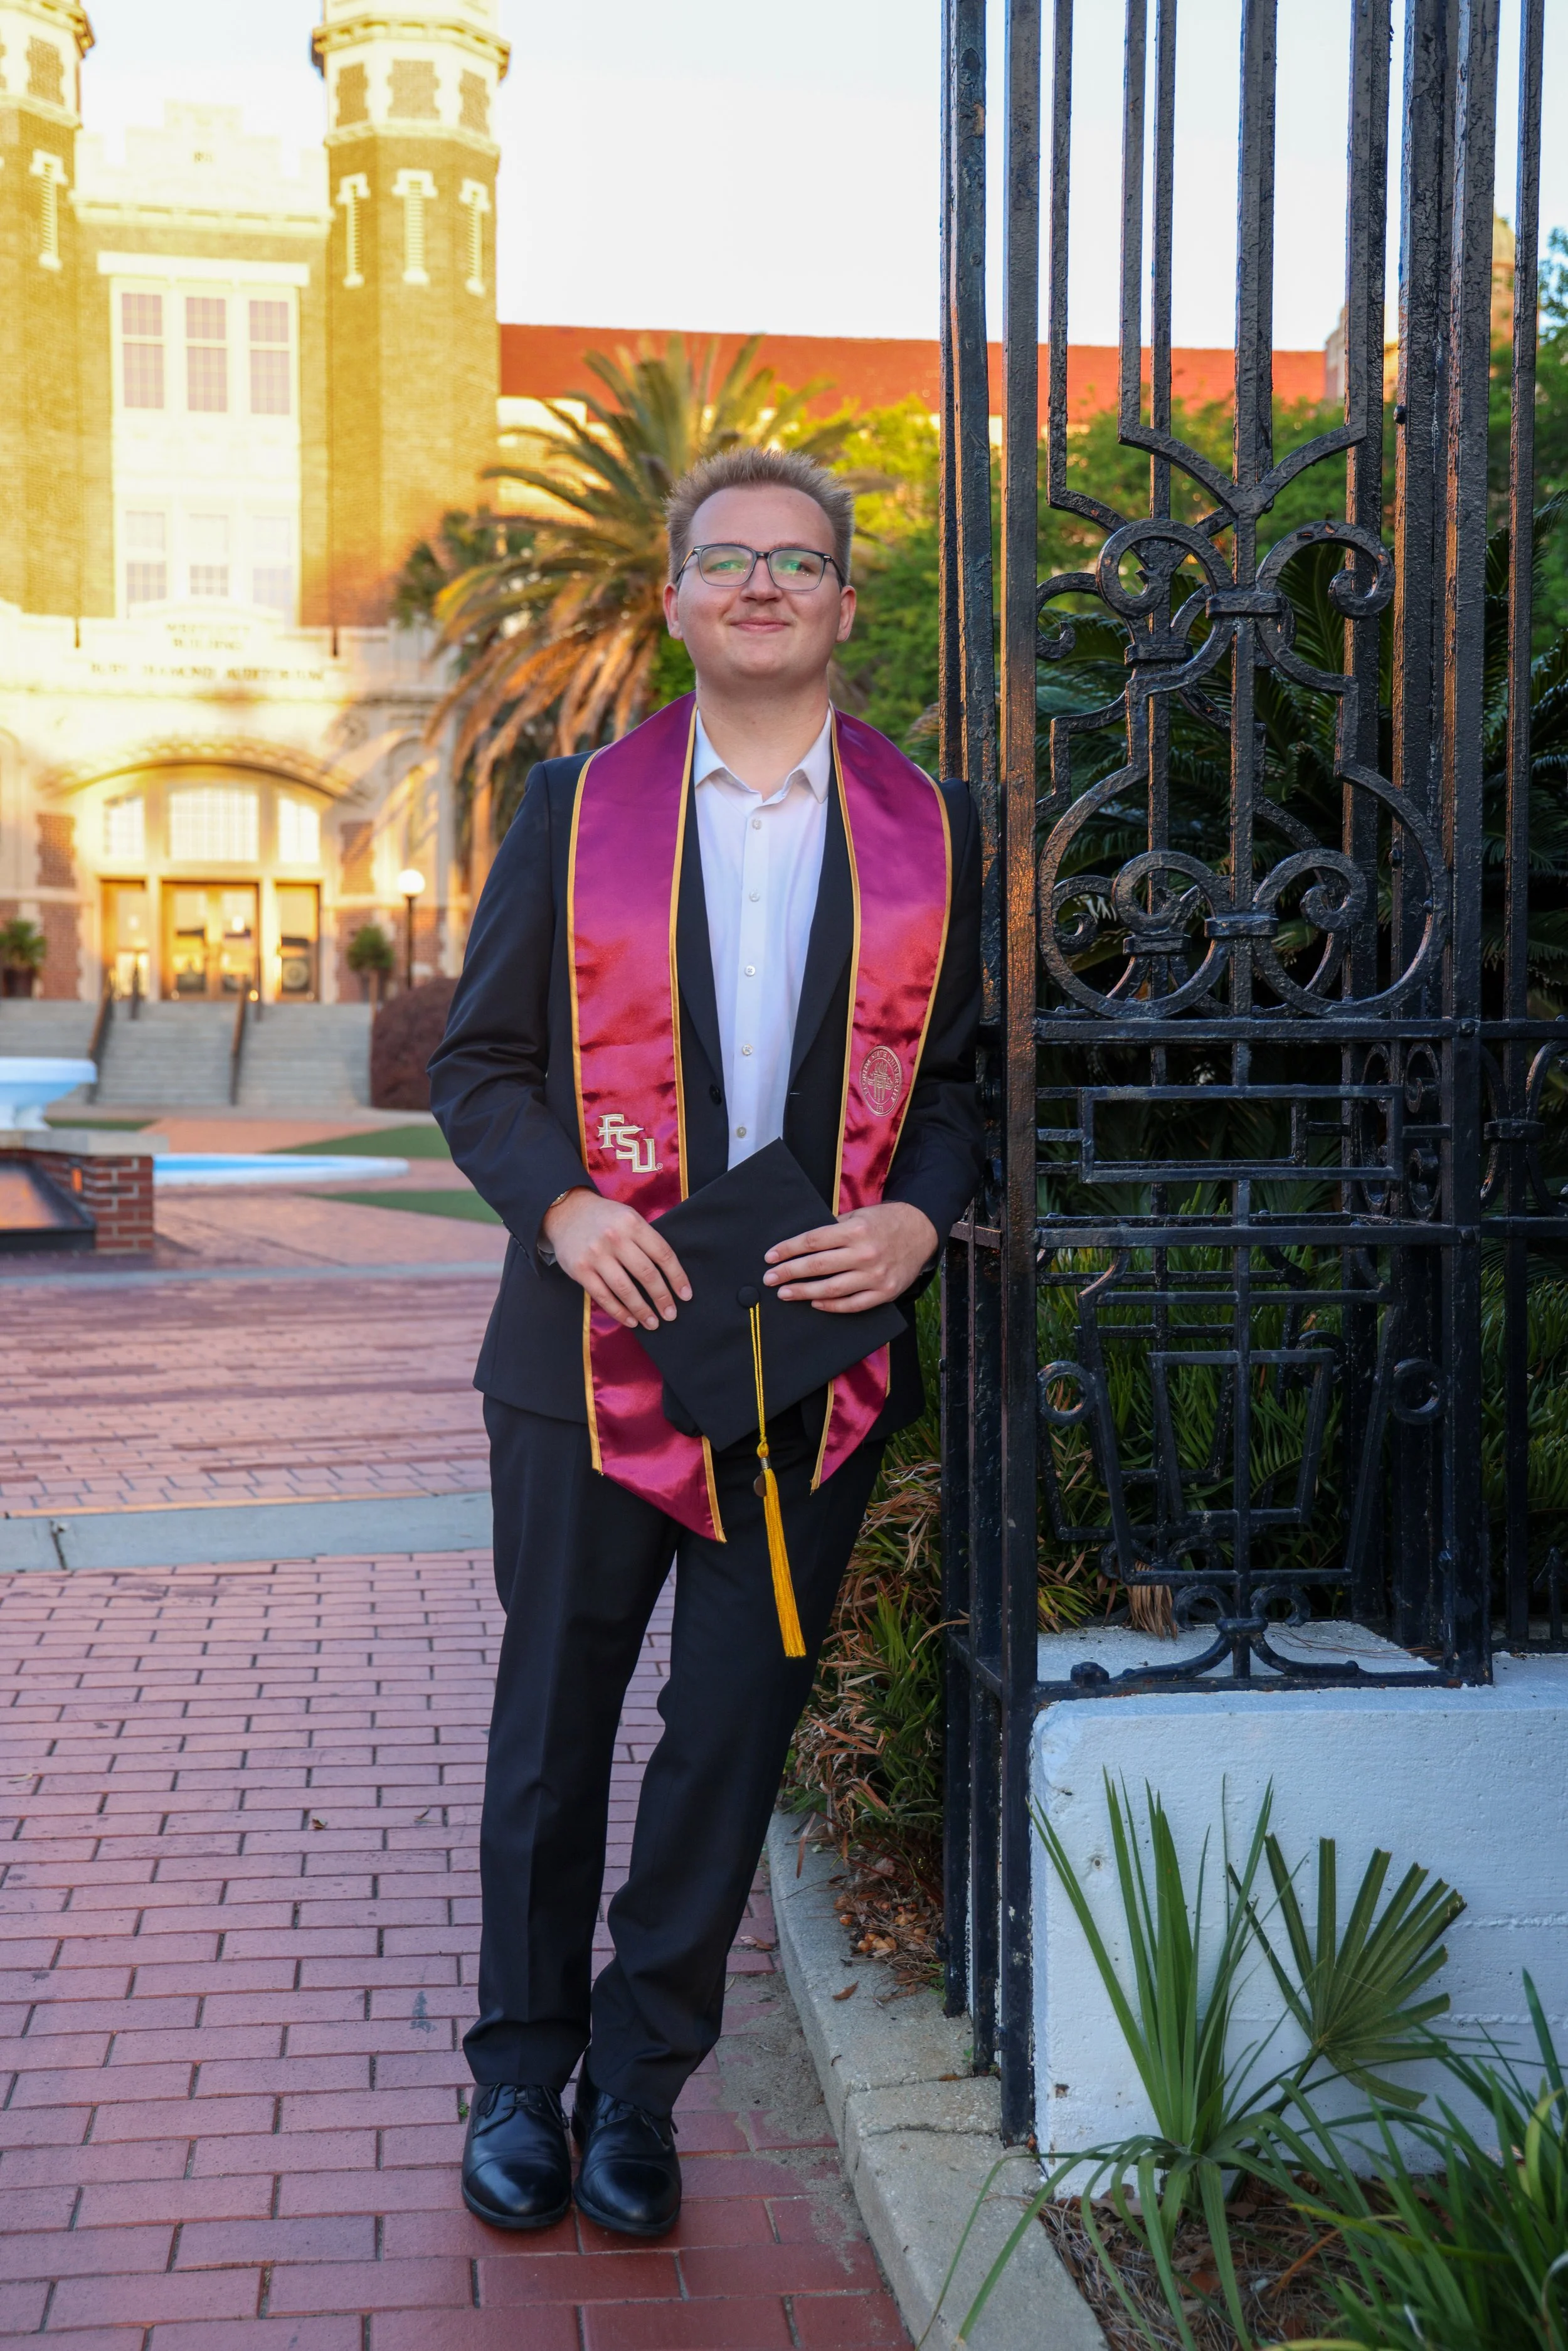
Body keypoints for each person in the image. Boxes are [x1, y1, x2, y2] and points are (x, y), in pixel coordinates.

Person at [428, 445, 983, 2241]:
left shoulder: (936, 831)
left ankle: (636, 2088)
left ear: (840, 602)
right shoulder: (571, 806)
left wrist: (920, 1218)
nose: (762, 583)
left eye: (797, 560)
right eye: (727, 557)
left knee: (729, 1730)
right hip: (587, 1356)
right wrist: (564, 1210)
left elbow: (960, 1093)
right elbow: (479, 1069)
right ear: (672, 596)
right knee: (552, 1728)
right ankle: (519, 2069)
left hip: (805, 1367)